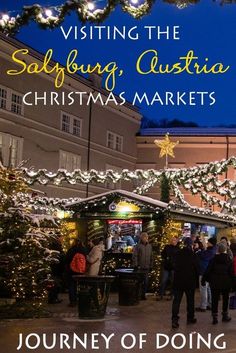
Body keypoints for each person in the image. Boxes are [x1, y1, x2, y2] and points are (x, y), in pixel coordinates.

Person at [202, 242, 234, 324]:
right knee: (225, 299)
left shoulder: (213, 259)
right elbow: (231, 273)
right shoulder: (229, 259)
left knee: (215, 299)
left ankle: (215, 317)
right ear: (225, 250)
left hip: (215, 282)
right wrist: (233, 283)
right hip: (226, 282)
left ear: (218, 250)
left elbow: (208, 270)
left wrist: (204, 280)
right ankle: (225, 316)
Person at [171, 237, 199, 329]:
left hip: (178, 281)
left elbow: (173, 265)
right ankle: (190, 318)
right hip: (189, 281)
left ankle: (174, 320)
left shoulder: (177, 253)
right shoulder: (193, 254)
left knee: (176, 301)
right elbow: (196, 268)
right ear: (191, 244)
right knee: (190, 300)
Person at [65, 239, 88, 307]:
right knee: (81, 285)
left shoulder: (71, 249)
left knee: (72, 286)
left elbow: (67, 259)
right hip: (81, 270)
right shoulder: (84, 250)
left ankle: (73, 301)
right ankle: (82, 300)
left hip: (71, 270)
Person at [196, 237, 217, 312]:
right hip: (208, 272)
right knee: (208, 289)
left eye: (208, 242)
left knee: (203, 289)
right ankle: (209, 304)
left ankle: (203, 306)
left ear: (211, 243)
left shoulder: (210, 251)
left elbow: (200, 255)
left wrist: (201, 249)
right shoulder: (213, 250)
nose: (207, 243)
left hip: (204, 272)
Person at [132, 232, 153, 300]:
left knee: (146, 282)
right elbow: (135, 256)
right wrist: (136, 265)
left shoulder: (149, 246)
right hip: (139, 267)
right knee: (139, 282)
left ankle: (143, 295)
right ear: (141, 238)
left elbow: (151, 256)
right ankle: (137, 295)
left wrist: (151, 265)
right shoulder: (137, 246)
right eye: (144, 237)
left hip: (146, 267)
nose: (146, 238)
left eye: (147, 237)